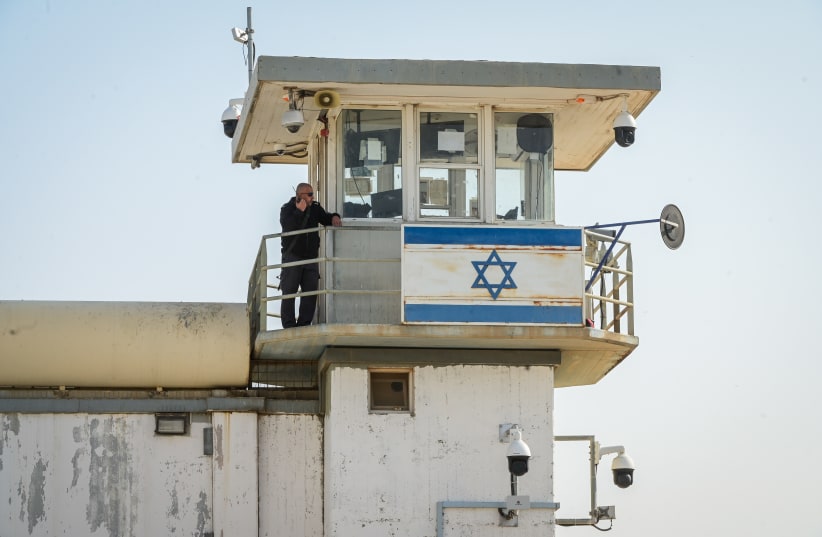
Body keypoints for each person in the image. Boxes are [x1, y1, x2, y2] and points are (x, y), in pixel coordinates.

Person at [279, 183, 342, 328]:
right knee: (289, 292)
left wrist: (334, 217)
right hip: (293, 256)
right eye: (310, 194)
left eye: (313, 194)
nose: (313, 197)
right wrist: (299, 211)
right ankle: (288, 325)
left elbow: (325, 218)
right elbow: (287, 226)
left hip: (311, 258)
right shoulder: (287, 208)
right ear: (300, 196)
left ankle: (304, 324)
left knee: (310, 292)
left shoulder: (315, 208)